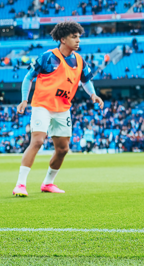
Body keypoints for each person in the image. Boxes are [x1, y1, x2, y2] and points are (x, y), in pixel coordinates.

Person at [13, 21, 103, 197]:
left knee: (62, 149)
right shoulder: (48, 57)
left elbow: (86, 80)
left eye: (79, 37)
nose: (78, 41)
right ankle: (20, 185)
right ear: (62, 39)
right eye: (74, 37)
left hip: (63, 108)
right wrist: (24, 100)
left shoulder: (79, 60)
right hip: (42, 105)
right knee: (38, 141)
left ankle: (48, 183)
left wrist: (93, 94)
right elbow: (28, 78)